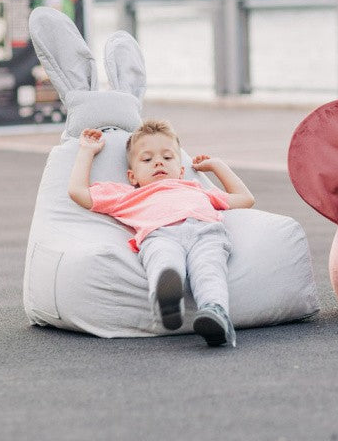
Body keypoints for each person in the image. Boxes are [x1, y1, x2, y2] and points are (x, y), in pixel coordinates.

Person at [68, 119, 255, 347]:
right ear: (132, 176)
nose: (158, 162)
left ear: (181, 172)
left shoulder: (196, 188)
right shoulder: (126, 195)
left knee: (209, 269)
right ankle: (167, 304)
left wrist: (218, 166)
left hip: (206, 232)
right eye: (147, 159)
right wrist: (87, 151)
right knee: (164, 261)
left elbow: (245, 199)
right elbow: (78, 191)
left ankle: (214, 313)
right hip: (159, 234)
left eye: (167, 158)